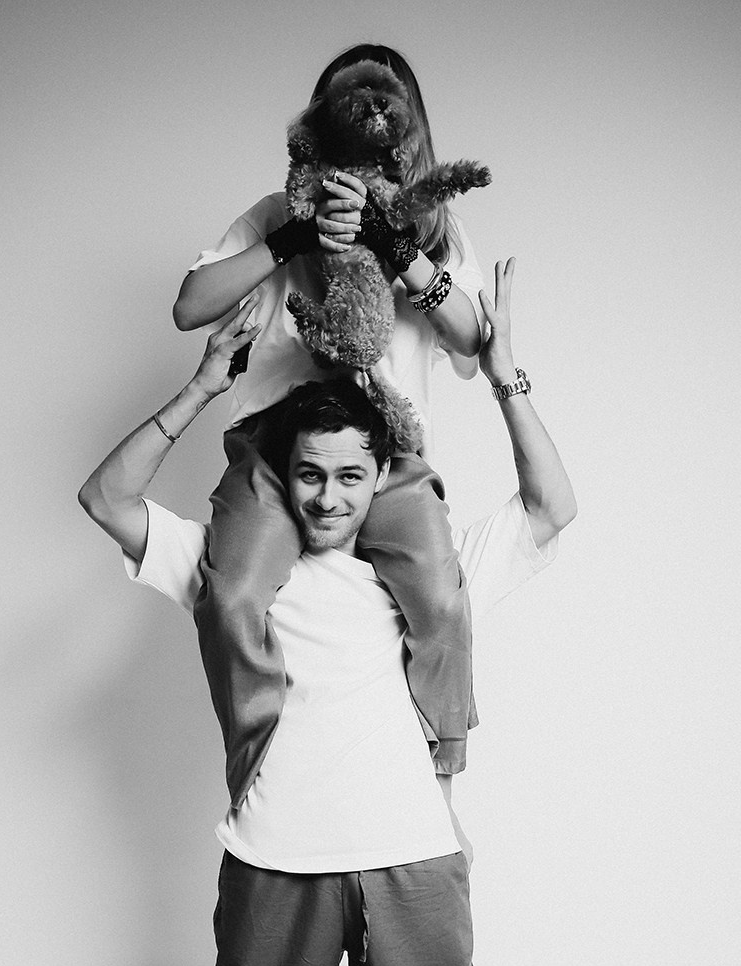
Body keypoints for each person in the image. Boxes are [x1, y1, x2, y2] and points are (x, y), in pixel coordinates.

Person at [78, 257, 576, 966]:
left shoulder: (424, 580)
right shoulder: (231, 572)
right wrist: (203, 387)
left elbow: (551, 506)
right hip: (276, 858)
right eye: (310, 475)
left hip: (412, 860)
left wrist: (504, 376)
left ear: (381, 476)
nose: (329, 497)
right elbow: (105, 499)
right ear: (283, 474)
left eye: (352, 476)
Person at [175, 43, 489, 813]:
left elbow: (472, 337)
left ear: (409, 125)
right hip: (277, 448)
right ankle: (257, 773)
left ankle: (441, 790)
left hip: (383, 448)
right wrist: (295, 234)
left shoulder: (433, 226)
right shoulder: (279, 208)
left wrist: (394, 243)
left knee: (443, 603)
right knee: (231, 595)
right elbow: (190, 305)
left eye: (386, 108)